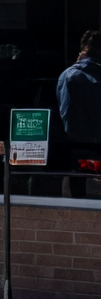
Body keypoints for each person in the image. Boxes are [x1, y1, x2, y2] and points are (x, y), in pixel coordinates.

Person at [58, 31, 101, 199]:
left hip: (78, 141)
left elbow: (66, 112)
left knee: (78, 184)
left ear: (85, 49)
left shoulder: (70, 75)